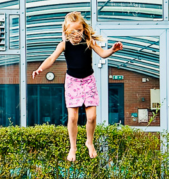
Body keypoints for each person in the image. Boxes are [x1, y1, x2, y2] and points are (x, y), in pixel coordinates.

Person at [31, 11, 122, 162]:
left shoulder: (89, 42)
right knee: (72, 118)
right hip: (72, 82)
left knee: (92, 117)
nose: (76, 34)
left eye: (79, 30)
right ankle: (73, 147)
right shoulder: (64, 45)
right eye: (73, 31)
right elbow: (51, 58)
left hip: (88, 80)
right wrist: (40, 69)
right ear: (66, 31)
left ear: (83, 29)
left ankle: (89, 142)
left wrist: (112, 50)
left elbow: (103, 54)